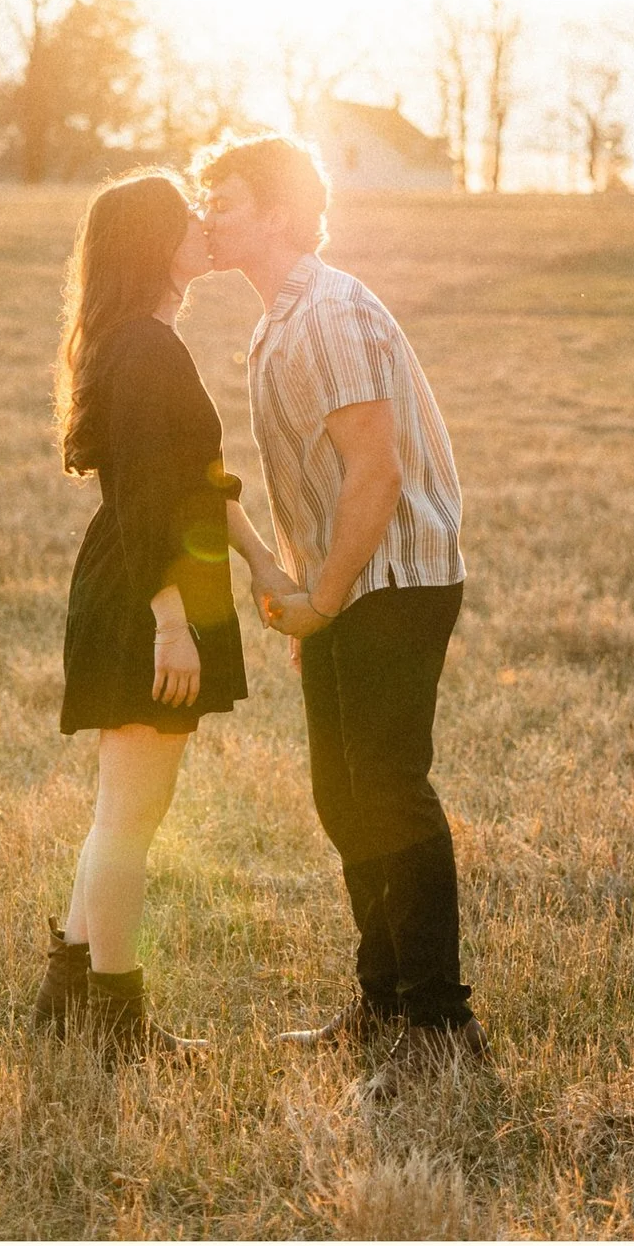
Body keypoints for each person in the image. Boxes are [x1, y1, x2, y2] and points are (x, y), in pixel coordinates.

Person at [194, 134, 487, 1101]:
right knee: (340, 792)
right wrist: (315, 596)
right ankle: (385, 999)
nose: (207, 214)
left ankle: (442, 1023)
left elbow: (376, 469)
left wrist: (323, 593)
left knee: (389, 788)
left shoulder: (322, 311)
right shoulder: (283, 314)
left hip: (394, 577)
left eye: (224, 198)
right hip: (348, 583)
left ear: (275, 212)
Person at [36, 169, 296, 1060]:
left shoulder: (142, 341)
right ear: (153, 244)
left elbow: (197, 483)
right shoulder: (145, 349)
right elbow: (149, 499)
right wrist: (171, 620)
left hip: (148, 589)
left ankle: (66, 997)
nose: (201, 225)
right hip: (144, 598)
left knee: (124, 814)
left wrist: (262, 561)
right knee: (129, 820)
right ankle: (117, 1024)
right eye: (185, 216)